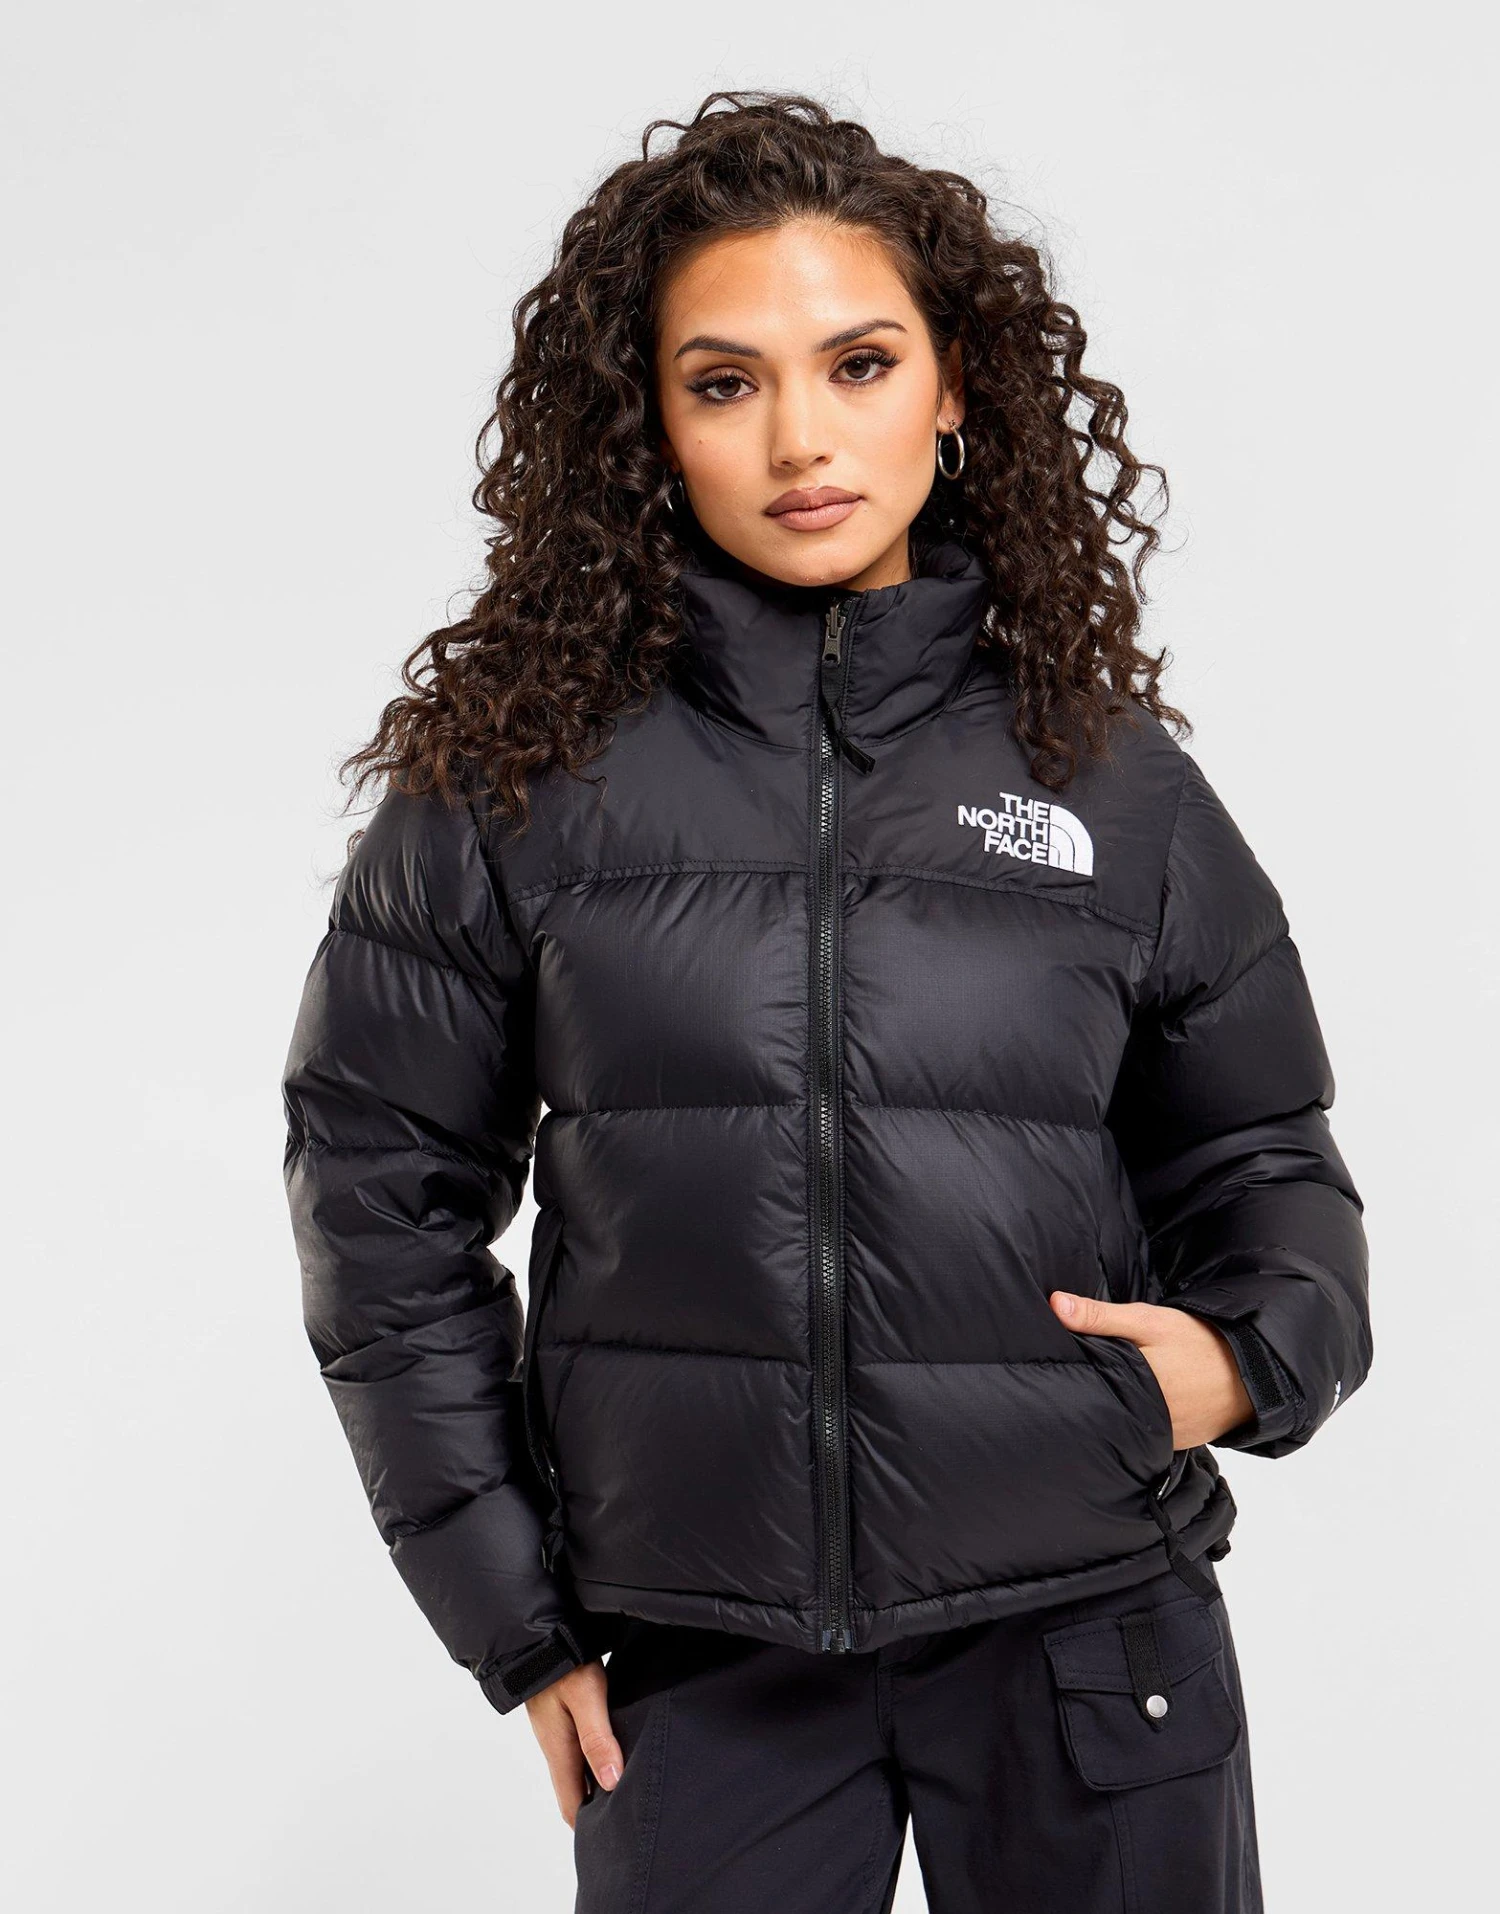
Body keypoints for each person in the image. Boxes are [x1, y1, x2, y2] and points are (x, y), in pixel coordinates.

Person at [280, 89, 1371, 1914]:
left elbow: (1266, 1154)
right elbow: (377, 1199)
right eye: (724, 383)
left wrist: (1252, 1353)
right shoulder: (512, 778)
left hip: (1090, 1628)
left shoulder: (1112, 783)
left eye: (859, 363)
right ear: (649, 423)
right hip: (697, 1662)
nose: (801, 436)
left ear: (953, 389)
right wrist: (515, 1620)